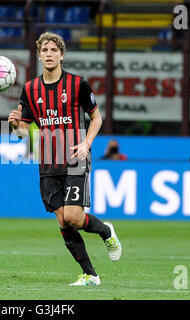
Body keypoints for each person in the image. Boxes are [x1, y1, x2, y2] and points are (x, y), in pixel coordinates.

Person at [8, 32, 122, 287]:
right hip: (48, 162)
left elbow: (97, 118)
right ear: (39, 55)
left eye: (53, 50)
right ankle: (91, 275)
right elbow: (22, 133)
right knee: (62, 220)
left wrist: (86, 143)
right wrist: (16, 124)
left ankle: (106, 231)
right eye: (44, 50)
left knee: (72, 216)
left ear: (62, 54)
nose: (48, 54)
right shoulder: (30, 89)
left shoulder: (77, 84)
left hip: (74, 157)